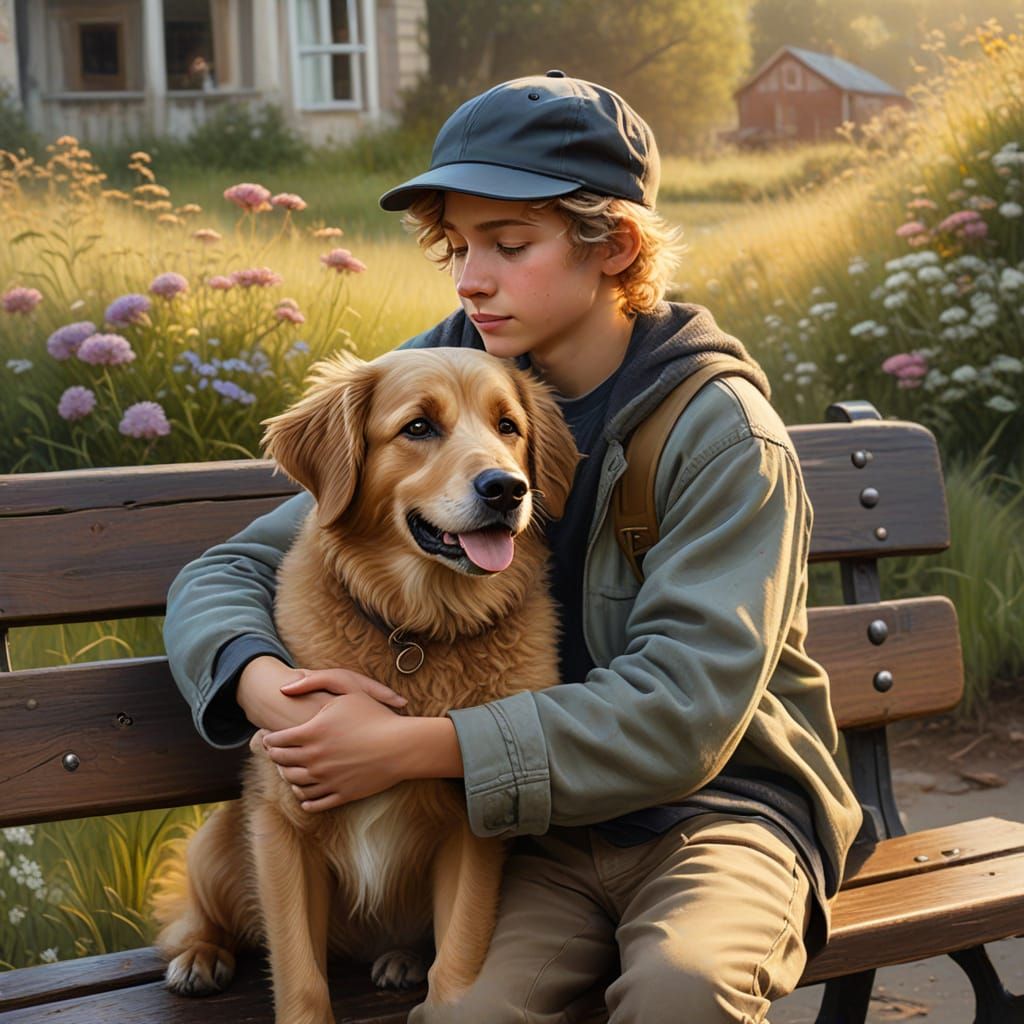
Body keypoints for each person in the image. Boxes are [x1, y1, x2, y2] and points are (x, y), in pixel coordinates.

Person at [164, 71, 862, 1023]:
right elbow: (234, 568)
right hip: (532, 830)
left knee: (679, 992)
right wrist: (259, 682)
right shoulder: (449, 376)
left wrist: (409, 746)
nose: (469, 279)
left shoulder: (722, 436)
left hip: (719, 814)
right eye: (458, 245)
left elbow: (682, 715)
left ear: (613, 245)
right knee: (465, 1013)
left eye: (508, 243)